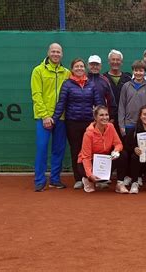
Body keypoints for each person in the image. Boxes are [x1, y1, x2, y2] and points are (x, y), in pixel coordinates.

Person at [52, 58, 104, 189]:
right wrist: (54, 118)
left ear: (85, 68)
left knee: (90, 151)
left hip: (88, 123)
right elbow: (61, 103)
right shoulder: (67, 84)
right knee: (76, 150)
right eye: (76, 66)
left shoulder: (91, 84)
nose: (79, 68)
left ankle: (92, 177)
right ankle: (79, 178)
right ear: (72, 69)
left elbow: (98, 104)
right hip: (72, 123)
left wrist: (102, 119)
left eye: (81, 66)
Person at [30, 43, 70, 192]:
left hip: (61, 117)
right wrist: (45, 115)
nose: (55, 54)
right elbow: (36, 95)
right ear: (48, 53)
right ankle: (40, 180)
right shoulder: (38, 71)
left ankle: (54, 179)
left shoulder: (66, 73)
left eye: (58, 52)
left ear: (62, 54)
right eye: (53, 51)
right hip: (43, 118)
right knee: (41, 148)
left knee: (59, 149)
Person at [77, 106, 129, 193]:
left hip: (105, 161)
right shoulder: (88, 134)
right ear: (95, 117)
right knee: (87, 172)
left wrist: (115, 150)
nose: (105, 118)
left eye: (106, 115)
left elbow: (118, 144)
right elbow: (86, 157)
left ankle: (120, 184)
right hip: (88, 162)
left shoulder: (111, 127)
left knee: (122, 154)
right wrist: (90, 175)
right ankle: (87, 179)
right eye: (101, 115)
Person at [118, 60, 146, 138]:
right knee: (129, 149)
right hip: (128, 124)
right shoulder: (126, 86)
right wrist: (121, 124)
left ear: (145, 72)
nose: (138, 73)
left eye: (141, 71)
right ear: (133, 71)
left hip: (144, 125)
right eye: (136, 70)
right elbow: (121, 106)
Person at [103, 49, 132, 138]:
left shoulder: (128, 78)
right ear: (109, 61)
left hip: (125, 120)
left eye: (118, 60)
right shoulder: (103, 78)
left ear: (121, 62)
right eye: (113, 59)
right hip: (108, 119)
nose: (115, 62)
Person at [87, 55, 117, 122]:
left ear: (100, 66)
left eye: (97, 65)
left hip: (101, 118)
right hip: (85, 117)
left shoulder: (105, 80)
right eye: (92, 64)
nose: (94, 67)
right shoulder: (83, 79)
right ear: (88, 65)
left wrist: (111, 116)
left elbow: (111, 100)